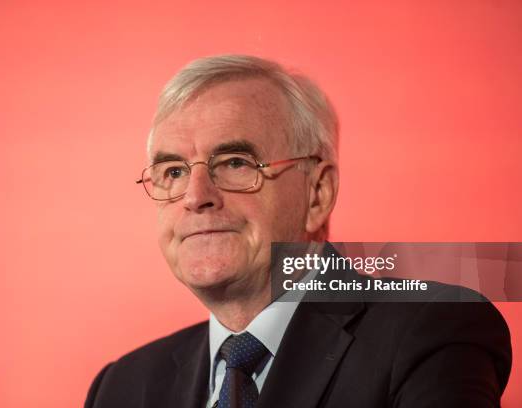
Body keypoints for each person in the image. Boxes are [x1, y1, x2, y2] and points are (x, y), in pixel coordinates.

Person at [85, 55, 511, 407]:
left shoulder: (432, 331)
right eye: (173, 171)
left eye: (236, 163)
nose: (196, 196)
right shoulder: (123, 387)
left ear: (317, 194)